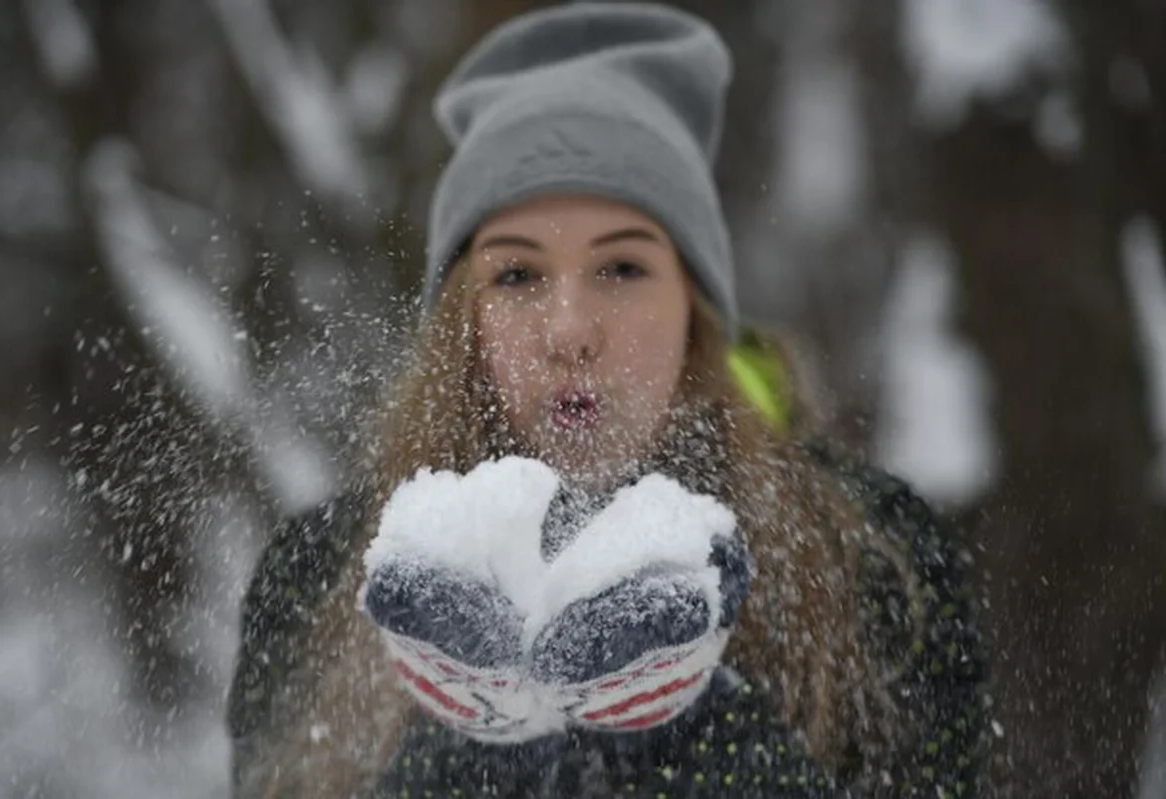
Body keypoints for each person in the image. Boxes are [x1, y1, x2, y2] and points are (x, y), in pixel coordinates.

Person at [225, 4, 990, 797]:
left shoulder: (871, 559)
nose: (570, 331)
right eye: (517, 275)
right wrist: (476, 745)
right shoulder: (321, 575)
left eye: (621, 269)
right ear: (464, 320)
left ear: (694, 308)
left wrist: (687, 726)